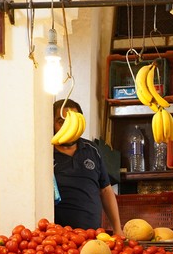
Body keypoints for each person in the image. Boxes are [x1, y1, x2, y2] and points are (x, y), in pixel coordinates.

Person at [52, 99, 122, 233]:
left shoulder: (92, 149)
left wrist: (117, 229)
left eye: (71, 122)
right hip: (60, 240)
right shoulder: (45, 155)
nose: (67, 126)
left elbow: (106, 191)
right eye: (61, 122)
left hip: (93, 235)